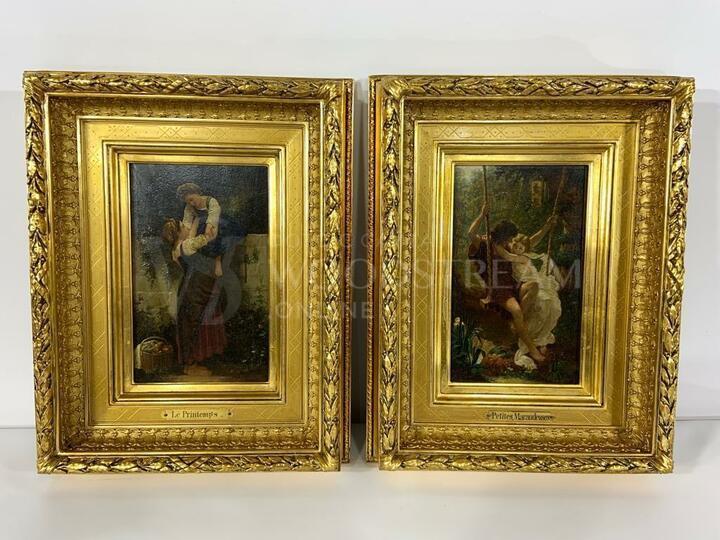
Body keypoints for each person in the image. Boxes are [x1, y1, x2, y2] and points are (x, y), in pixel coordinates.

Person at [467, 202, 558, 364]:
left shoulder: (507, 245)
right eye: (509, 238)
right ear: (503, 236)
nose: (511, 241)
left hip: (512, 285)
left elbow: (529, 242)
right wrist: (482, 214)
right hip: (498, 289)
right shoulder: (485, 243)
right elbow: (471, 233)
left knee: (534, 286)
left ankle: (516, 324)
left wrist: (546, 227)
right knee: (516, 311)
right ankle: (533, 350)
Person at [171, 183, 227, 366]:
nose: (191, 203)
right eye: (188, 201)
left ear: (197, 193)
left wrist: (189, 245)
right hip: (199, 249)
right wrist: (178, 247)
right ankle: (192, 352)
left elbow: (211, 232)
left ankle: (207, 351)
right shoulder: (189, 209)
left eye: (192, 199)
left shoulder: (212, 203)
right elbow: (186, 230)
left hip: (212, 243)